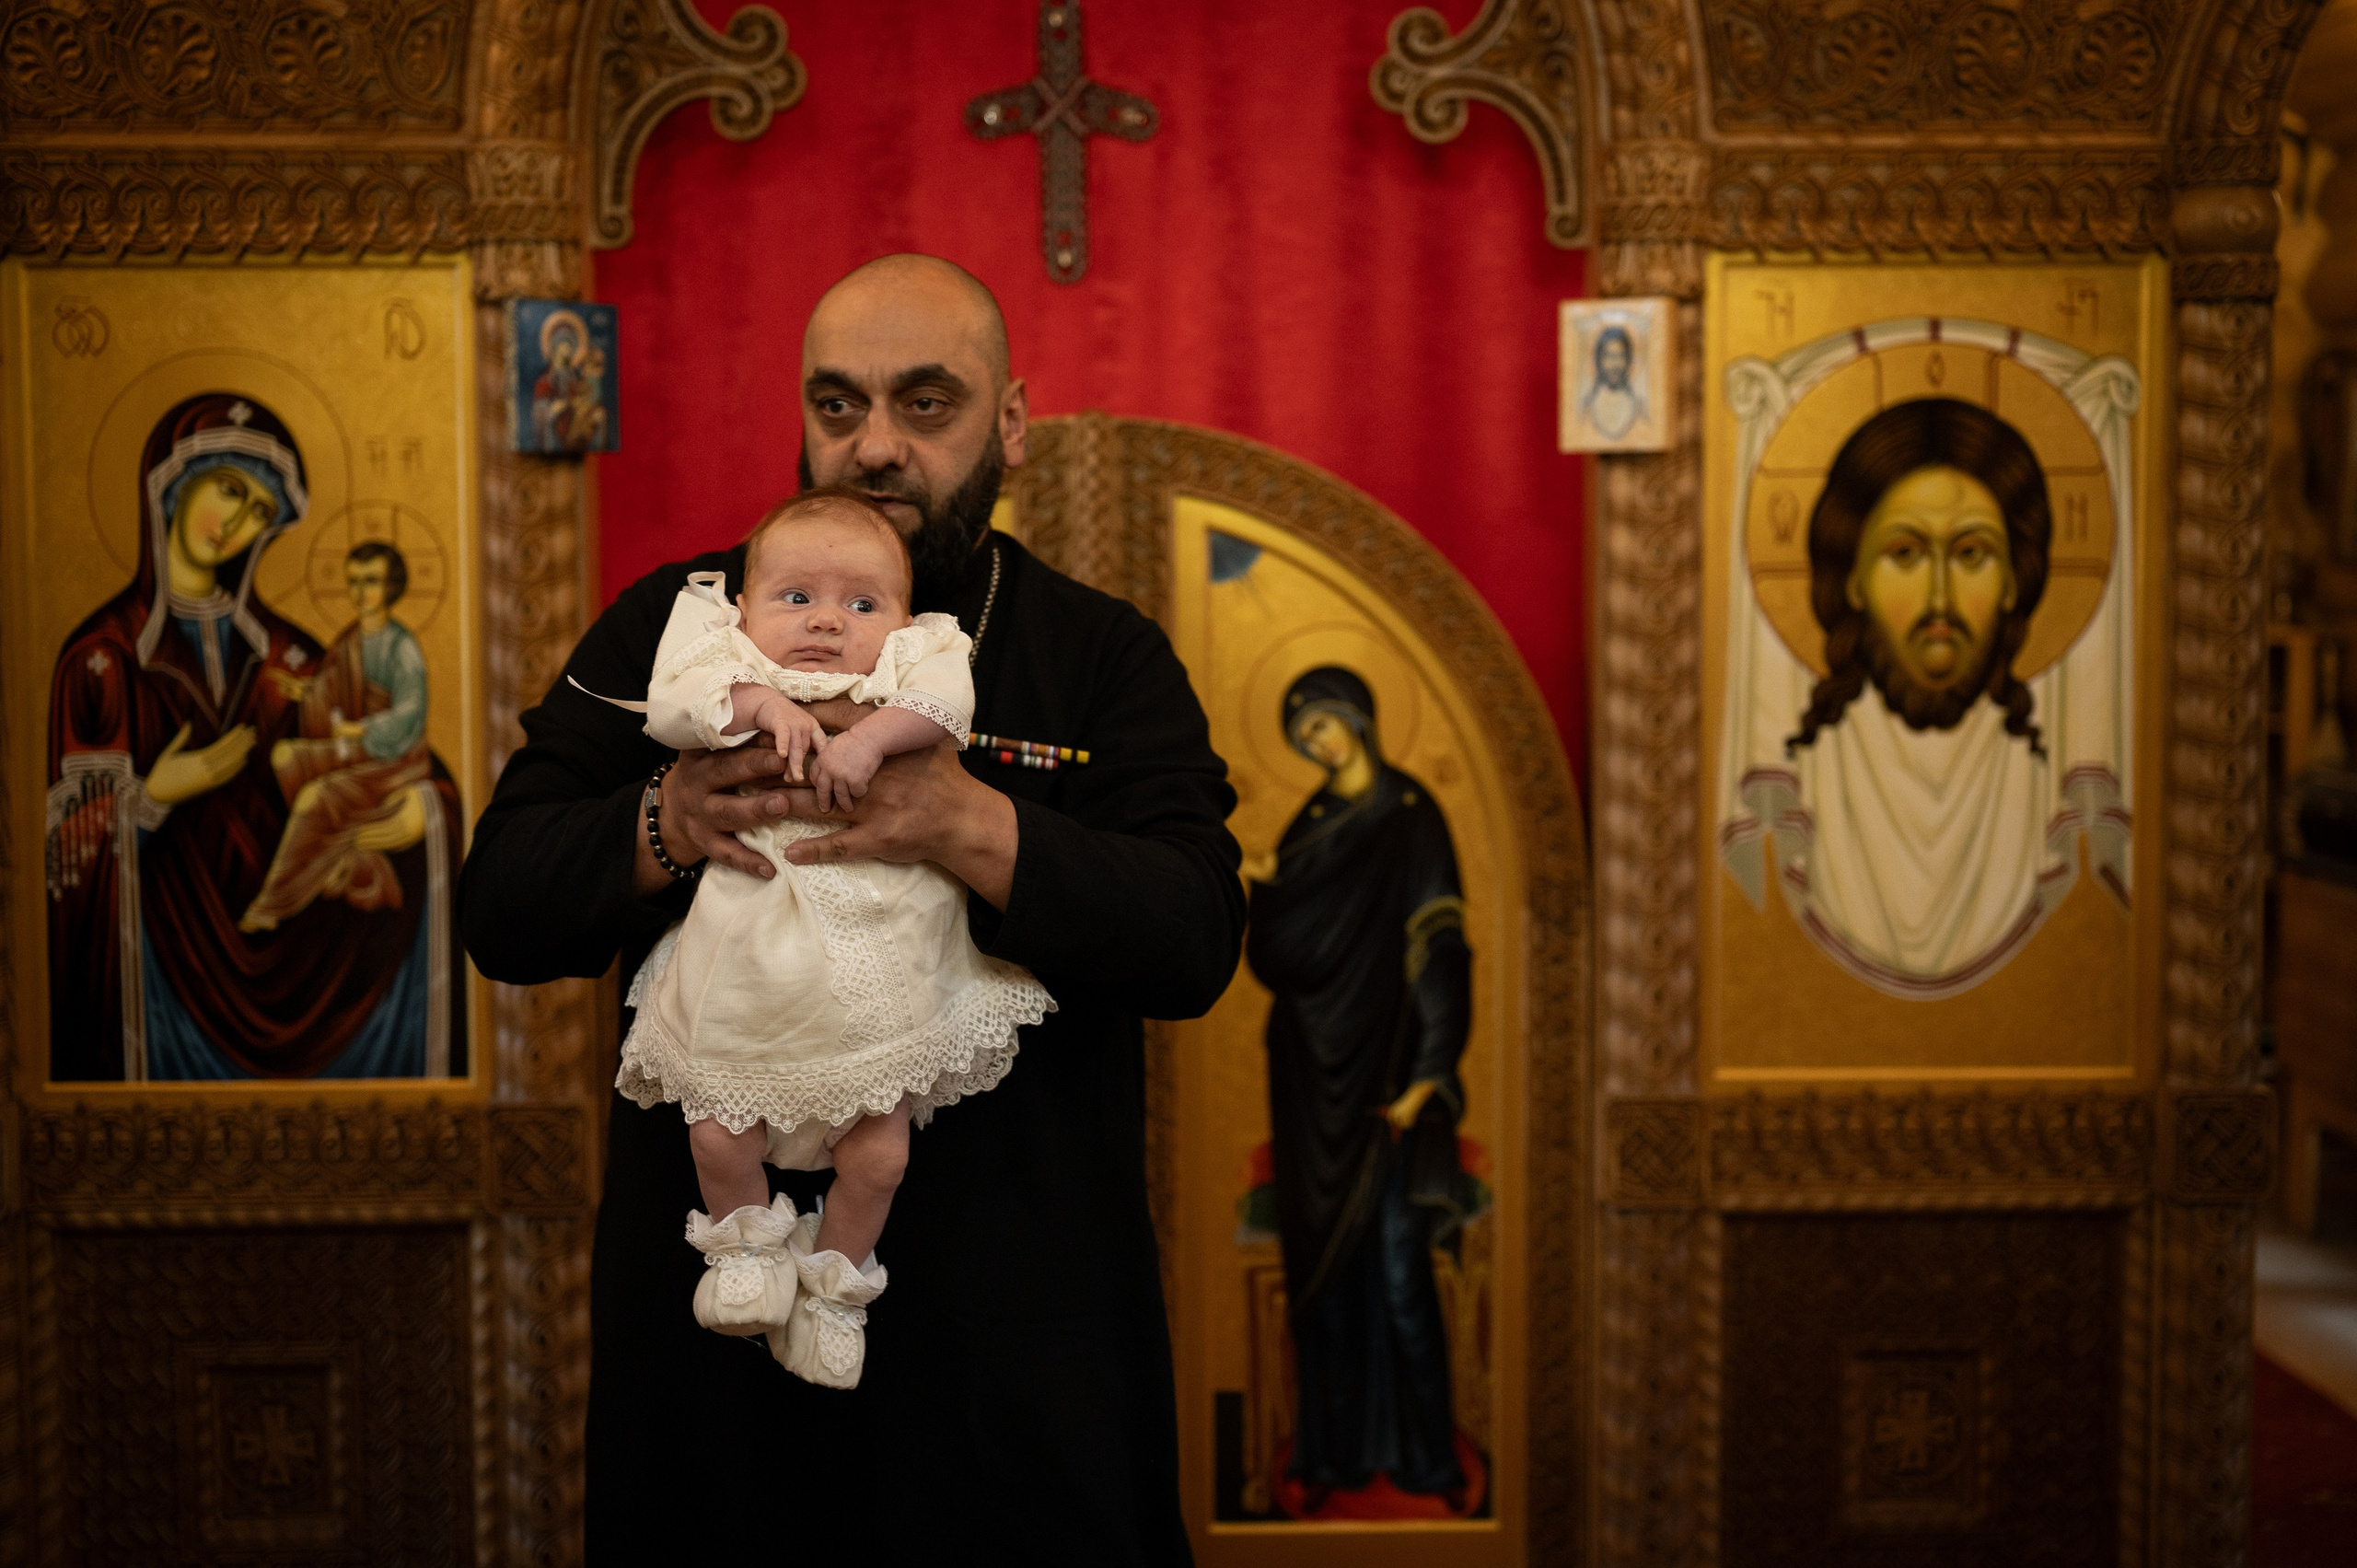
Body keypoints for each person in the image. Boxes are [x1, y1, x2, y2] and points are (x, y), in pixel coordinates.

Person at [459, 254, 1243, 1562]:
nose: (874, 444)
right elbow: (503, 902)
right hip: (722, 1351)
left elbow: (1198, 935)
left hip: (1025, 1361)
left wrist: (972, 827)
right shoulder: (685, 630)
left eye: (925, 404)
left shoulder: (1099, 653)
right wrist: (670, 818)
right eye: (838, 405)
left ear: (1011, 424)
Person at [607, 487, 1051, 1387]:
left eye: (861, 603)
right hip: (749, 959)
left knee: (880, 1153)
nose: (825, 624)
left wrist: (874, 736)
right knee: (718, 1136)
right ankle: (746, 1252)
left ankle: (837, 1285)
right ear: (742, 607)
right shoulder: (718, 648)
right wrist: (763, 710)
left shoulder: (912, 657)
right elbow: (677, 704)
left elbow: (942, 699)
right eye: (796, 597)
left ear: (903, 615)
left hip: (875, 965)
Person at [46, 392, 464, 1082]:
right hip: (165, 977)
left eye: (259, 513)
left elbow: (388, 746)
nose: (236, 523)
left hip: (309, 960)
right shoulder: (103, 659)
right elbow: (63, 854)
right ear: (173, 486)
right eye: (228, 491)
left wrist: (428, 810)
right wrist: (149, 797)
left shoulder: (292, 655)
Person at [1243, 668, 1474, 1509]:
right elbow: (1280, 955)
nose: (1319, 743)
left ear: (1361, 721)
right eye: (1305, 736)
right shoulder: (1312, 827)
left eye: (1328, 726)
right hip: (1309, 1081)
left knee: (1403, 1276)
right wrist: (1265, 890)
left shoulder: (1412, 819)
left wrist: (1430, 1072)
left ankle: (1430, 1459)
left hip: (1387, 1084)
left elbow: (1440, 948)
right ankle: (1332, 1456)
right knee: (1324, 1278)